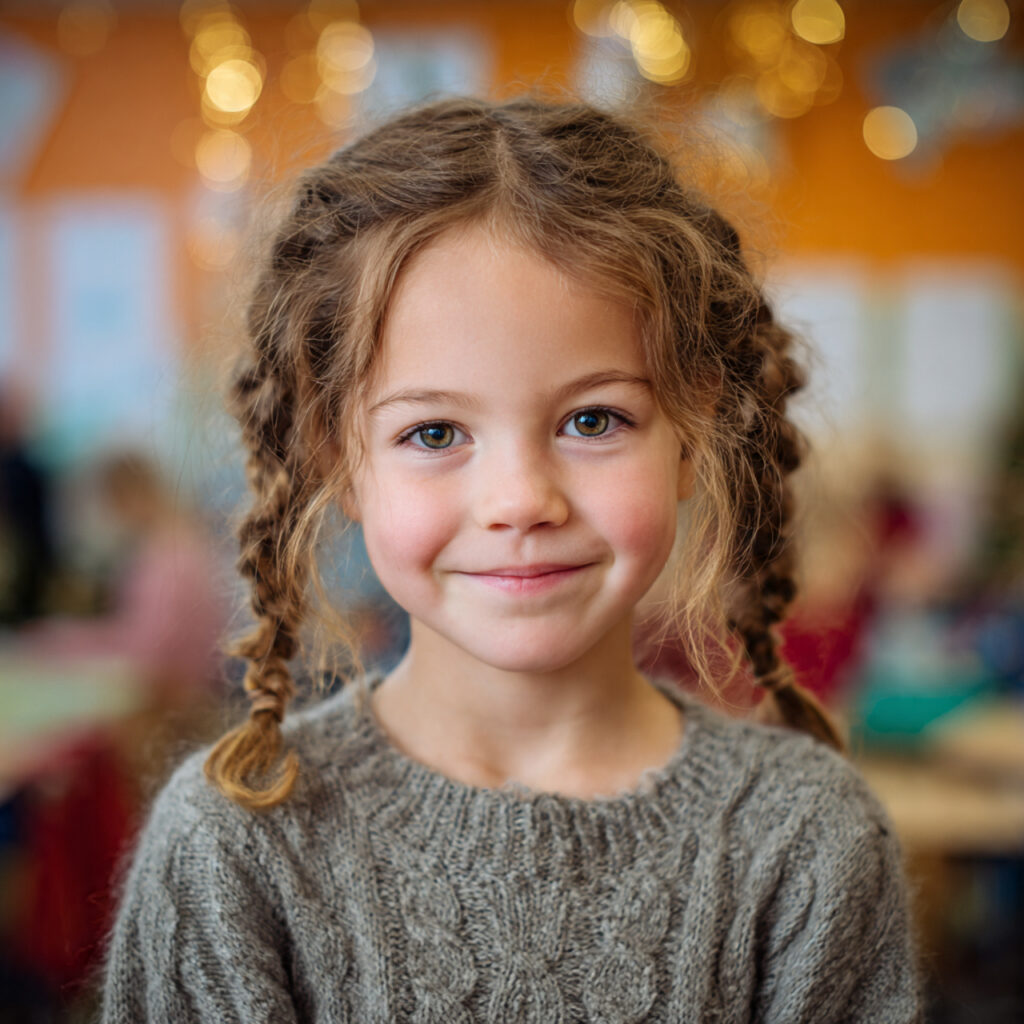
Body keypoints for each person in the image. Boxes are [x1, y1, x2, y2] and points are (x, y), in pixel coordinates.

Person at [100, 97, 922, 1022]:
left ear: (693, 435)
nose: (522, 499)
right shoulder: (232, 849)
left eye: (593, 420)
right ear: (337, 457)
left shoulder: (807, 841)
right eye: (435, 430)